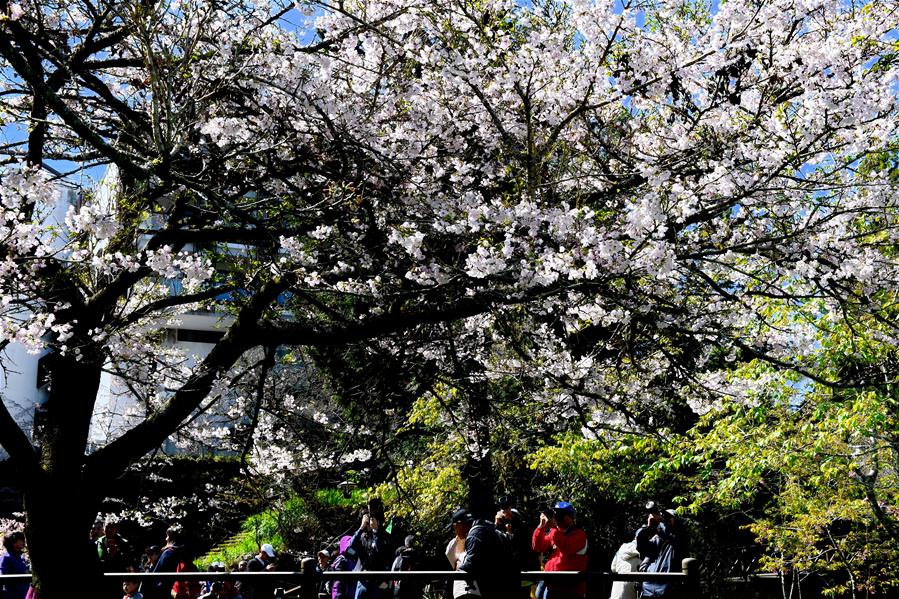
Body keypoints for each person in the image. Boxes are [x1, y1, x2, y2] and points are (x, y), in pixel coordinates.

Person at [531, 501, 588, 599]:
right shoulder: (557, 533)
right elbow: (538, 547)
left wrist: (553, 527)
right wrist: (541, 527)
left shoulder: (579, 535)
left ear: (569, 517)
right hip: (551, 585)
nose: (556, 517)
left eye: (559, 514)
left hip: (569, 590)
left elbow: (566, 548)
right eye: (555, 514)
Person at [458, 512, 517, 599]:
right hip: (506, 583)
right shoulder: (488, 529)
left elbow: (471, 564)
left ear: (460, 525)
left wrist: (459, 568)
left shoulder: (474, 536)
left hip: (493, 586)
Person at [635, 508, 685, 599]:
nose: (666, 519)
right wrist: (648, 527)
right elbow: (641, 546)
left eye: (669, 517)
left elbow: (670, 535)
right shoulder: (657, 539)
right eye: (664, 517)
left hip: (667, 590)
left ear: (677, 522)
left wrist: (661, 521)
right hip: (648, 590)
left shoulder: (680, 538)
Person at [350, 509, 393, 599]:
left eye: (370, 518)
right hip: (363, 579)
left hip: (379, 580)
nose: (368, 521)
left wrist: (375, 529)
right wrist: (361, 528)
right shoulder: (362, 536)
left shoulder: (384, 536)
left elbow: (381, 552)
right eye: (366, 519)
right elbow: (350, 548)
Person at [444, 509, 473, 599]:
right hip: (464, 589)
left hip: (463, 589)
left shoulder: (454, 544)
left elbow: (453, 566)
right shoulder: (478, 538)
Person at [0, 531, 29, 599]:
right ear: (13, 542)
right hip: (11, 595)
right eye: (21, 539)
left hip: (24, 594)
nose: (24, 541)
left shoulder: (21, 557)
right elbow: (2, 578)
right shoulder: (5, 558)